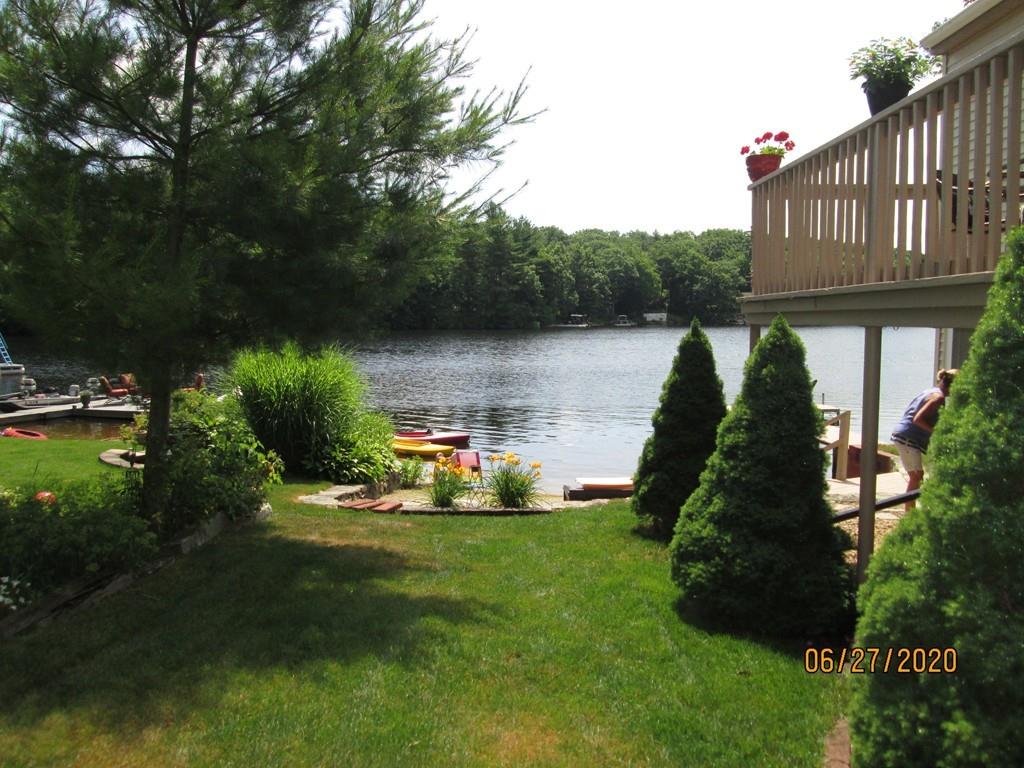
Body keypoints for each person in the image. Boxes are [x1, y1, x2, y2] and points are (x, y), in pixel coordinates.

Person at [891, 368, 958, 510]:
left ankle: (910, 513)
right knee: (917, 477)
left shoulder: (930, 391)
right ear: (954, 385)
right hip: (909, 437)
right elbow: (918, 419)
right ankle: (910, 515)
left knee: (915, 476)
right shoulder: (938, 398)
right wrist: (936, 432)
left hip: (902, 434)